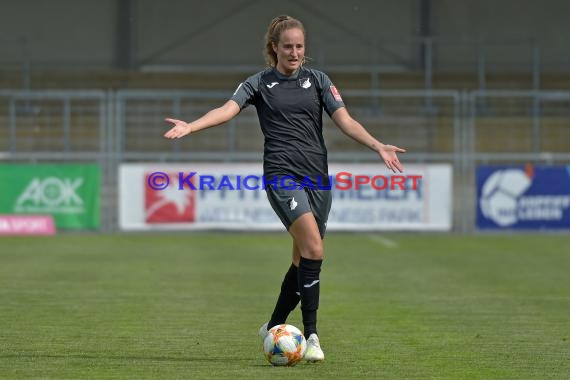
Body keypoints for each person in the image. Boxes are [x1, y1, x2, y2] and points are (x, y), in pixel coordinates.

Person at [164, 15, 405, 362]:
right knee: (314, 249)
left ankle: (274, 324)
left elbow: (346, 121)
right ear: (274, 48)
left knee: (302, 258)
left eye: (300, 46)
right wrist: (192, 126)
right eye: (288, 46)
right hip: (281, 175)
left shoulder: (318, 80)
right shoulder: (259, 83)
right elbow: (227, 110)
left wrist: (378, 145)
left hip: (317, 178)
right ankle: (312, 336)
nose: (294, 53)